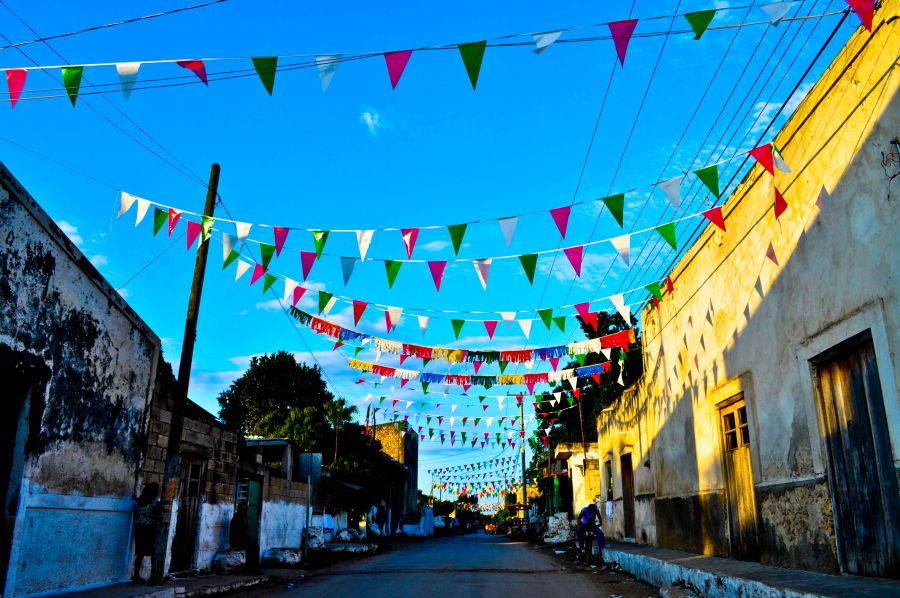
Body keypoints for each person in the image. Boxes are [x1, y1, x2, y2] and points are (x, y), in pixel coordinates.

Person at [132, 482, 161, 583]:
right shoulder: (155, 504)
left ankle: (136, 575)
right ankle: (154, 576)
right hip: (150, 530)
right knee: (154, 553)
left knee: (140, 553)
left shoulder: (138, 502)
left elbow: (136, 515)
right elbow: (158, 517)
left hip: (139, 529)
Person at [229, 503, 260, 572]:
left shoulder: (244, 518)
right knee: (252, 546)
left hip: (242, 539)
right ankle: (250, 567)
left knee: (255, 545)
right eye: (242, 509)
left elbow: (245, 532)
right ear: (239, 509)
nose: (244, 510)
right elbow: (238, 533)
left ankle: (254, 567)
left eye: (245, 509)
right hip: (236, 540)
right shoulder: (236, 519)